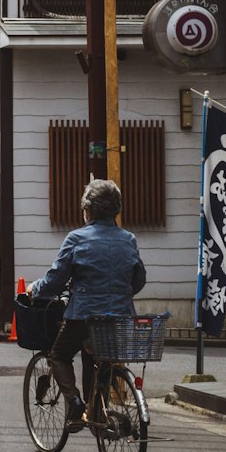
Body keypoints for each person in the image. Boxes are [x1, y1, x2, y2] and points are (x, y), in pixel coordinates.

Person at [28, 178, 147, 432]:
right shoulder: (128, 240)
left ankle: (75, 403)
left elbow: (54, 281)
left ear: (88, 210)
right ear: (116, 209)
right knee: (100, 356)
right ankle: (97, 417)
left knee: (59, 354)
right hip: (120, 317)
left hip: (84, 315)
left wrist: (33, 289)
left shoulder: (77, 239)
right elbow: (138, 280)